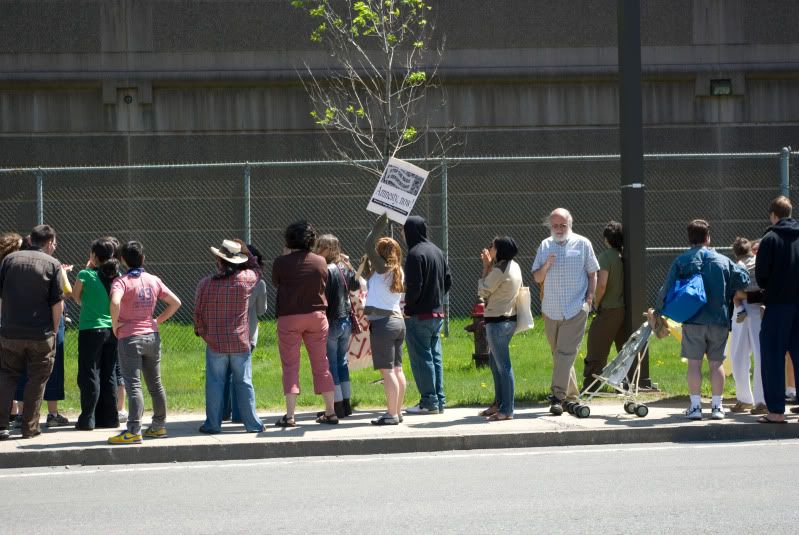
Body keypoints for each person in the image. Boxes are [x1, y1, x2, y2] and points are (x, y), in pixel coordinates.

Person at [654, 219, 749, 420]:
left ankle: (696, 407)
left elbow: (667, 287)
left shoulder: (682, 260)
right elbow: (743, 279)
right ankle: (717, 407)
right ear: (708, 237)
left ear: (690, 238)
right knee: (716, 364)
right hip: (719, 319)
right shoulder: (722, 260)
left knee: (694, 364)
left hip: (693, 320)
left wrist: (658, 310)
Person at [108, 241, 181, 444]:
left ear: (122, 260)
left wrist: (115, 325)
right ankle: (159, 426)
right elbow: (176, 302)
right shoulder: (153, 280)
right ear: (143, 258)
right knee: (155, 384)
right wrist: (158, 320)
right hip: (152, 335)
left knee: (134, 385)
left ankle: (133, 430)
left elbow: (115, 302)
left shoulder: (121, 282)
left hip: (129, 337)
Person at [532, 208, 599, 416]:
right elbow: (537, 278)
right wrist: (546, 265)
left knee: (565, 353)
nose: (559, 229)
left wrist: (588, 300)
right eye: (555, 226)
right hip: (551, 309)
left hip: (575, 308)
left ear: (570, 224)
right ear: (550, 226)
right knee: (559, 355)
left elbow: (593, 273)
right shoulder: (545, 245)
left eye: (563, 225)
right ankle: (572, 397)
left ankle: (557, 396)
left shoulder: (583, 243)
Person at [194, 239, 264, 434]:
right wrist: (246, 251)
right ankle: (252, 424)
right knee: (244, 382)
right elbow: (257, 268)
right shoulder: (246, 280)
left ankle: (213, 424)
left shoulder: (206, 283)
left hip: (215, 341)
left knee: (215, 383)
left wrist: (202, 332)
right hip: (240, 341)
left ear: (219, 261)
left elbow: (198, 312)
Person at [0, 225, 64, 439]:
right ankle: (29, 428)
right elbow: (57, 304)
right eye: (54, 243)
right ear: (47, 243)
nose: (54, 247)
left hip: (10, 331)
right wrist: (54, 331)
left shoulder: (9, 261)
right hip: (40, 333)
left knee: (7, 376)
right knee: (37, 379)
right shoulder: (53, 264)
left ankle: (2, 426)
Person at [272, 221, 338, 426]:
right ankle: (330, 411)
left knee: (290, 365)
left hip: (289, 316)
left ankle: (290, 415)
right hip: (317, 316)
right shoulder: (320, 262)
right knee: (321, 363)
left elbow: (277, 282)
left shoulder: (281, 262)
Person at [754, 196, 799, 423]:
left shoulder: (770, 239)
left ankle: (776, 411)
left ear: (773, 215)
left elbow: (761, 276)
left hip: (778, 304)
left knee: (773, 355)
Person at [403, 215, 452, 415]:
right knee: (435, 357)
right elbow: (448, 280)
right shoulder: (437, 251)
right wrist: (437, 297)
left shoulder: (414, 254)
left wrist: (408, 307)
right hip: (437, 312)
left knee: (421, 358)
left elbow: (414, 287)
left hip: (419, 315)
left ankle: (429, 401)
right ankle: (439, 399)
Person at [72, 238, 121, 430]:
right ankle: (110, 418)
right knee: (109, 373)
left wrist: (88, 269)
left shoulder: (85, 274)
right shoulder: (118, 277)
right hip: (112, 330)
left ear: (94, 256)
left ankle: (87, 418)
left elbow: (76, 297)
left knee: (89, 372)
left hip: (90, 330)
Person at [364, 214, 408, 425]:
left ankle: (391, 414)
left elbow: (367, 243)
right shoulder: (397, 270)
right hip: (398, 322)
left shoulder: (382, 269)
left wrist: (383, 218)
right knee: (398, 369)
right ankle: (397, 412)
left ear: (379, 255)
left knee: (387, 371)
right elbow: (361, 279)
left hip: (383, 323)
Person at [477, 236, 522, 421]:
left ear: (499, 250)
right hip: (508, 319)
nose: (490, 249)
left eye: (492, 247)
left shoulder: (498, 270)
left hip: (497, 322)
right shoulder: (514, 265)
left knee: (503, 365)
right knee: (495, 364)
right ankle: (499, 403)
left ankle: (507, 409)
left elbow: (482, 291)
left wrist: (486, 267)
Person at [222, 241, 267, 423]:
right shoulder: (258, 282)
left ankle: (223, 411)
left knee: (224, 375)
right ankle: (240, 414)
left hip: (224, 332)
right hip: (248, 334)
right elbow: (262, 310)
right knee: (241, 376)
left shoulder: (224, 279)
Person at [315, 234, 358, 418]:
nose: (316, 250)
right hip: (347, 320)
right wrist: (351, 266)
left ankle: (337, 406)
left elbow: (323, 296)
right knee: (342, 362)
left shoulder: (327, 269)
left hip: (332, 320)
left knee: (331, 364)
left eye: (319, 247)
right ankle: (346, 404)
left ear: (325, 249)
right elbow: (356, 285)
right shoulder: (344, 266)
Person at [582, 221, 626, 392]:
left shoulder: (606, 257)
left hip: (609, 309)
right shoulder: (623, 255)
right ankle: (623, 383)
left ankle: (591, 386)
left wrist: (596, 302)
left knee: (596, 347)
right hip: (624, 310)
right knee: (624, 349)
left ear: (606, 239)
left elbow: (602, 284)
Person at [727, 237, 766, 415]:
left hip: (744, 310)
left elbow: (734, 289)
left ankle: (745, 399)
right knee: (759, 354)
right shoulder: (761, 262)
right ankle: (761, 400)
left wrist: (739, 299)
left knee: (738, 355)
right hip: (759, 310)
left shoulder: (738, 265)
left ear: (736, 253)